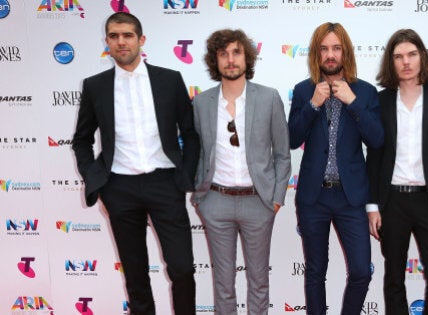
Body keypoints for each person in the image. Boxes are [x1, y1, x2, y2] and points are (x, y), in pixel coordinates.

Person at [72, 12, 199, 315]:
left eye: (127, 35)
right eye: (114, 36)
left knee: (182, 269)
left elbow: (191, 133)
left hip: (165, 184)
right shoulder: (95, 86)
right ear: (107, 43)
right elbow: (82, 140)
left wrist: (186, 177)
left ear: (141, 40)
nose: (121, 41)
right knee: (136, 276)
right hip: (120, 188)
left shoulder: (169, 80)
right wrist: (97, 181)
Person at [190, 29, 291, 315]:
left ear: (247, 57)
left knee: (258, 281)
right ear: (215, 61)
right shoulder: (201, 103)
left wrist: (276, 198)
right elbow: (196, 154)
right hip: (215, 202)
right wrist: (200, 197)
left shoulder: (269, 99)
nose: (230, 60)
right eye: (223, 54)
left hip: (258, 203)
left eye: (236, 52)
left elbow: (283, 155)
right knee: (223, 283)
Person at [288, 22, 384, 315]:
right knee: (315, 272)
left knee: (360, 271)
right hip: (313, 198)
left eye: (336, 48)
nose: (330, 55)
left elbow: (377, 140)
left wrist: (352, 103)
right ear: (317, 54)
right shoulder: (303, 91)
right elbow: (292, 139)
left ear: (345, 52)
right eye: (324, 49)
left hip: (351, 198)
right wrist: (313, 105)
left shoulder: (365, 92)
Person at [366, 29, 428, 315]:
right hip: (392, 201)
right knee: (394, 277)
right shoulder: (380, 101)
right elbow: (374, 156)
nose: (406, 62)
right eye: (398, 56)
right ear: (390, 63)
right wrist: (372, 206)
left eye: (411, 54)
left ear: (422, 57)